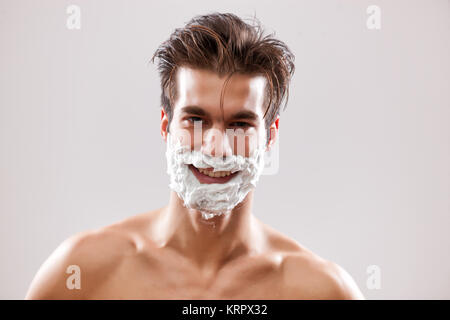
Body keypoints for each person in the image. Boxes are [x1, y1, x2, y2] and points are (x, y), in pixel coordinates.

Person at [26, 12, 364, 299]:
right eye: (196, 120)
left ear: (270, 136)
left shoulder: (320, 291)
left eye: (241, 124)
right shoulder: (83, 272)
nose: (216, 148)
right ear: (165, 126)